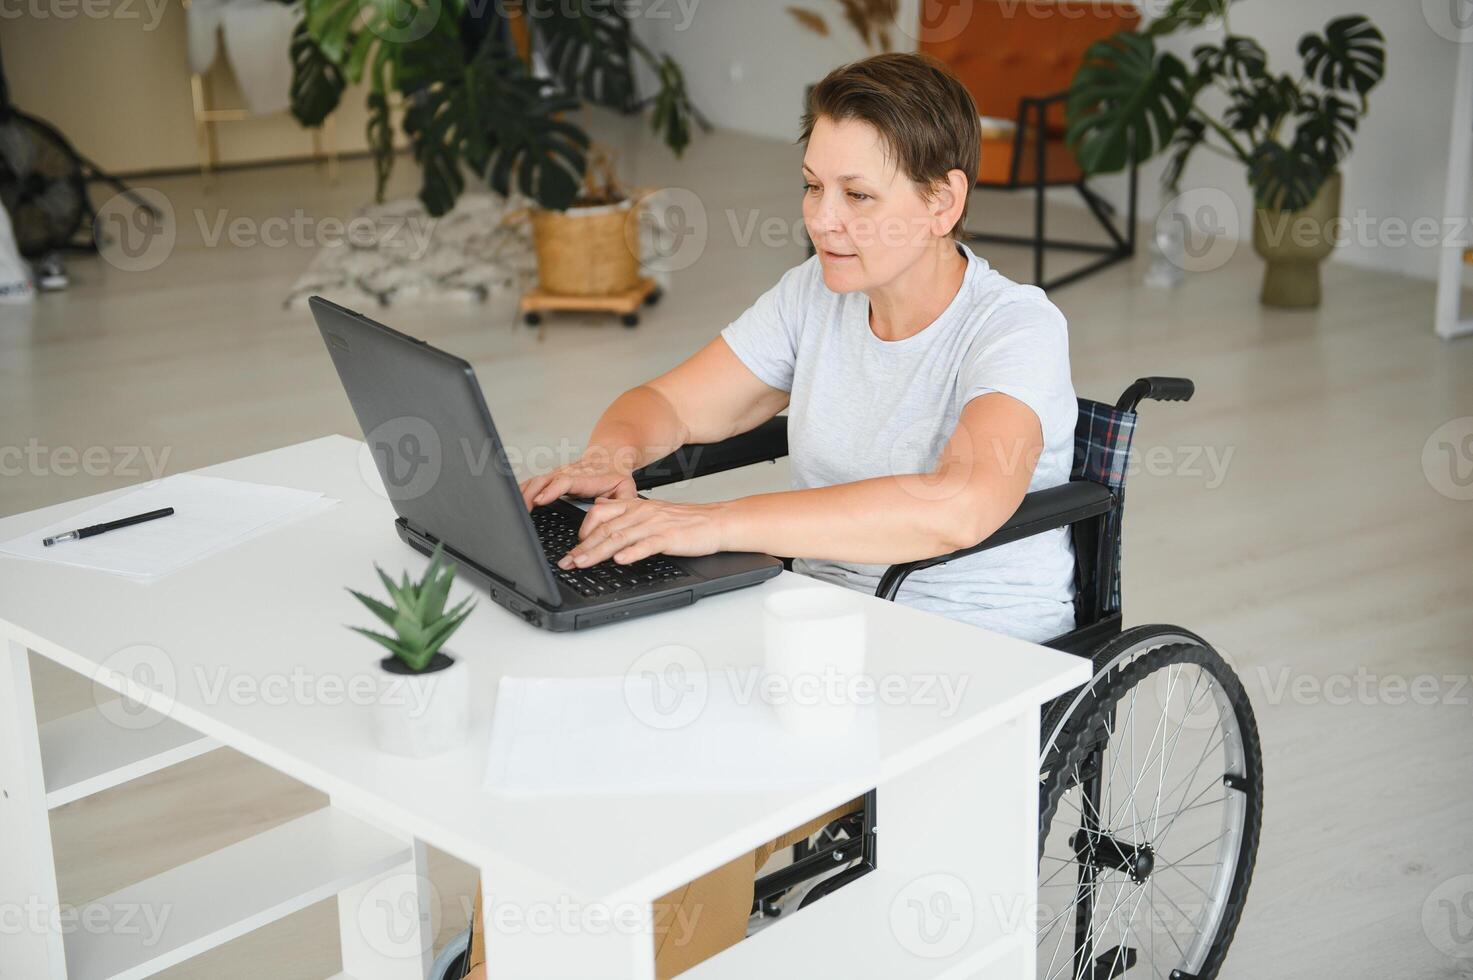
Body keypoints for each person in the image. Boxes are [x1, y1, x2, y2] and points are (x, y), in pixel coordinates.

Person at [464, 50, 1078, 979]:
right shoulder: (815, 298)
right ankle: (511, 958)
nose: (821, 220)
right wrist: (609, 455)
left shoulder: (1013, 329)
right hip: (822, 625)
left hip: (961, 650)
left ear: (942, 202)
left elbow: (961, 504)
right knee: (584, 740)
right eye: (811, 186)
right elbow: (667, 405)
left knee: (690, 804)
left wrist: (717, 523)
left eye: (856, 197)